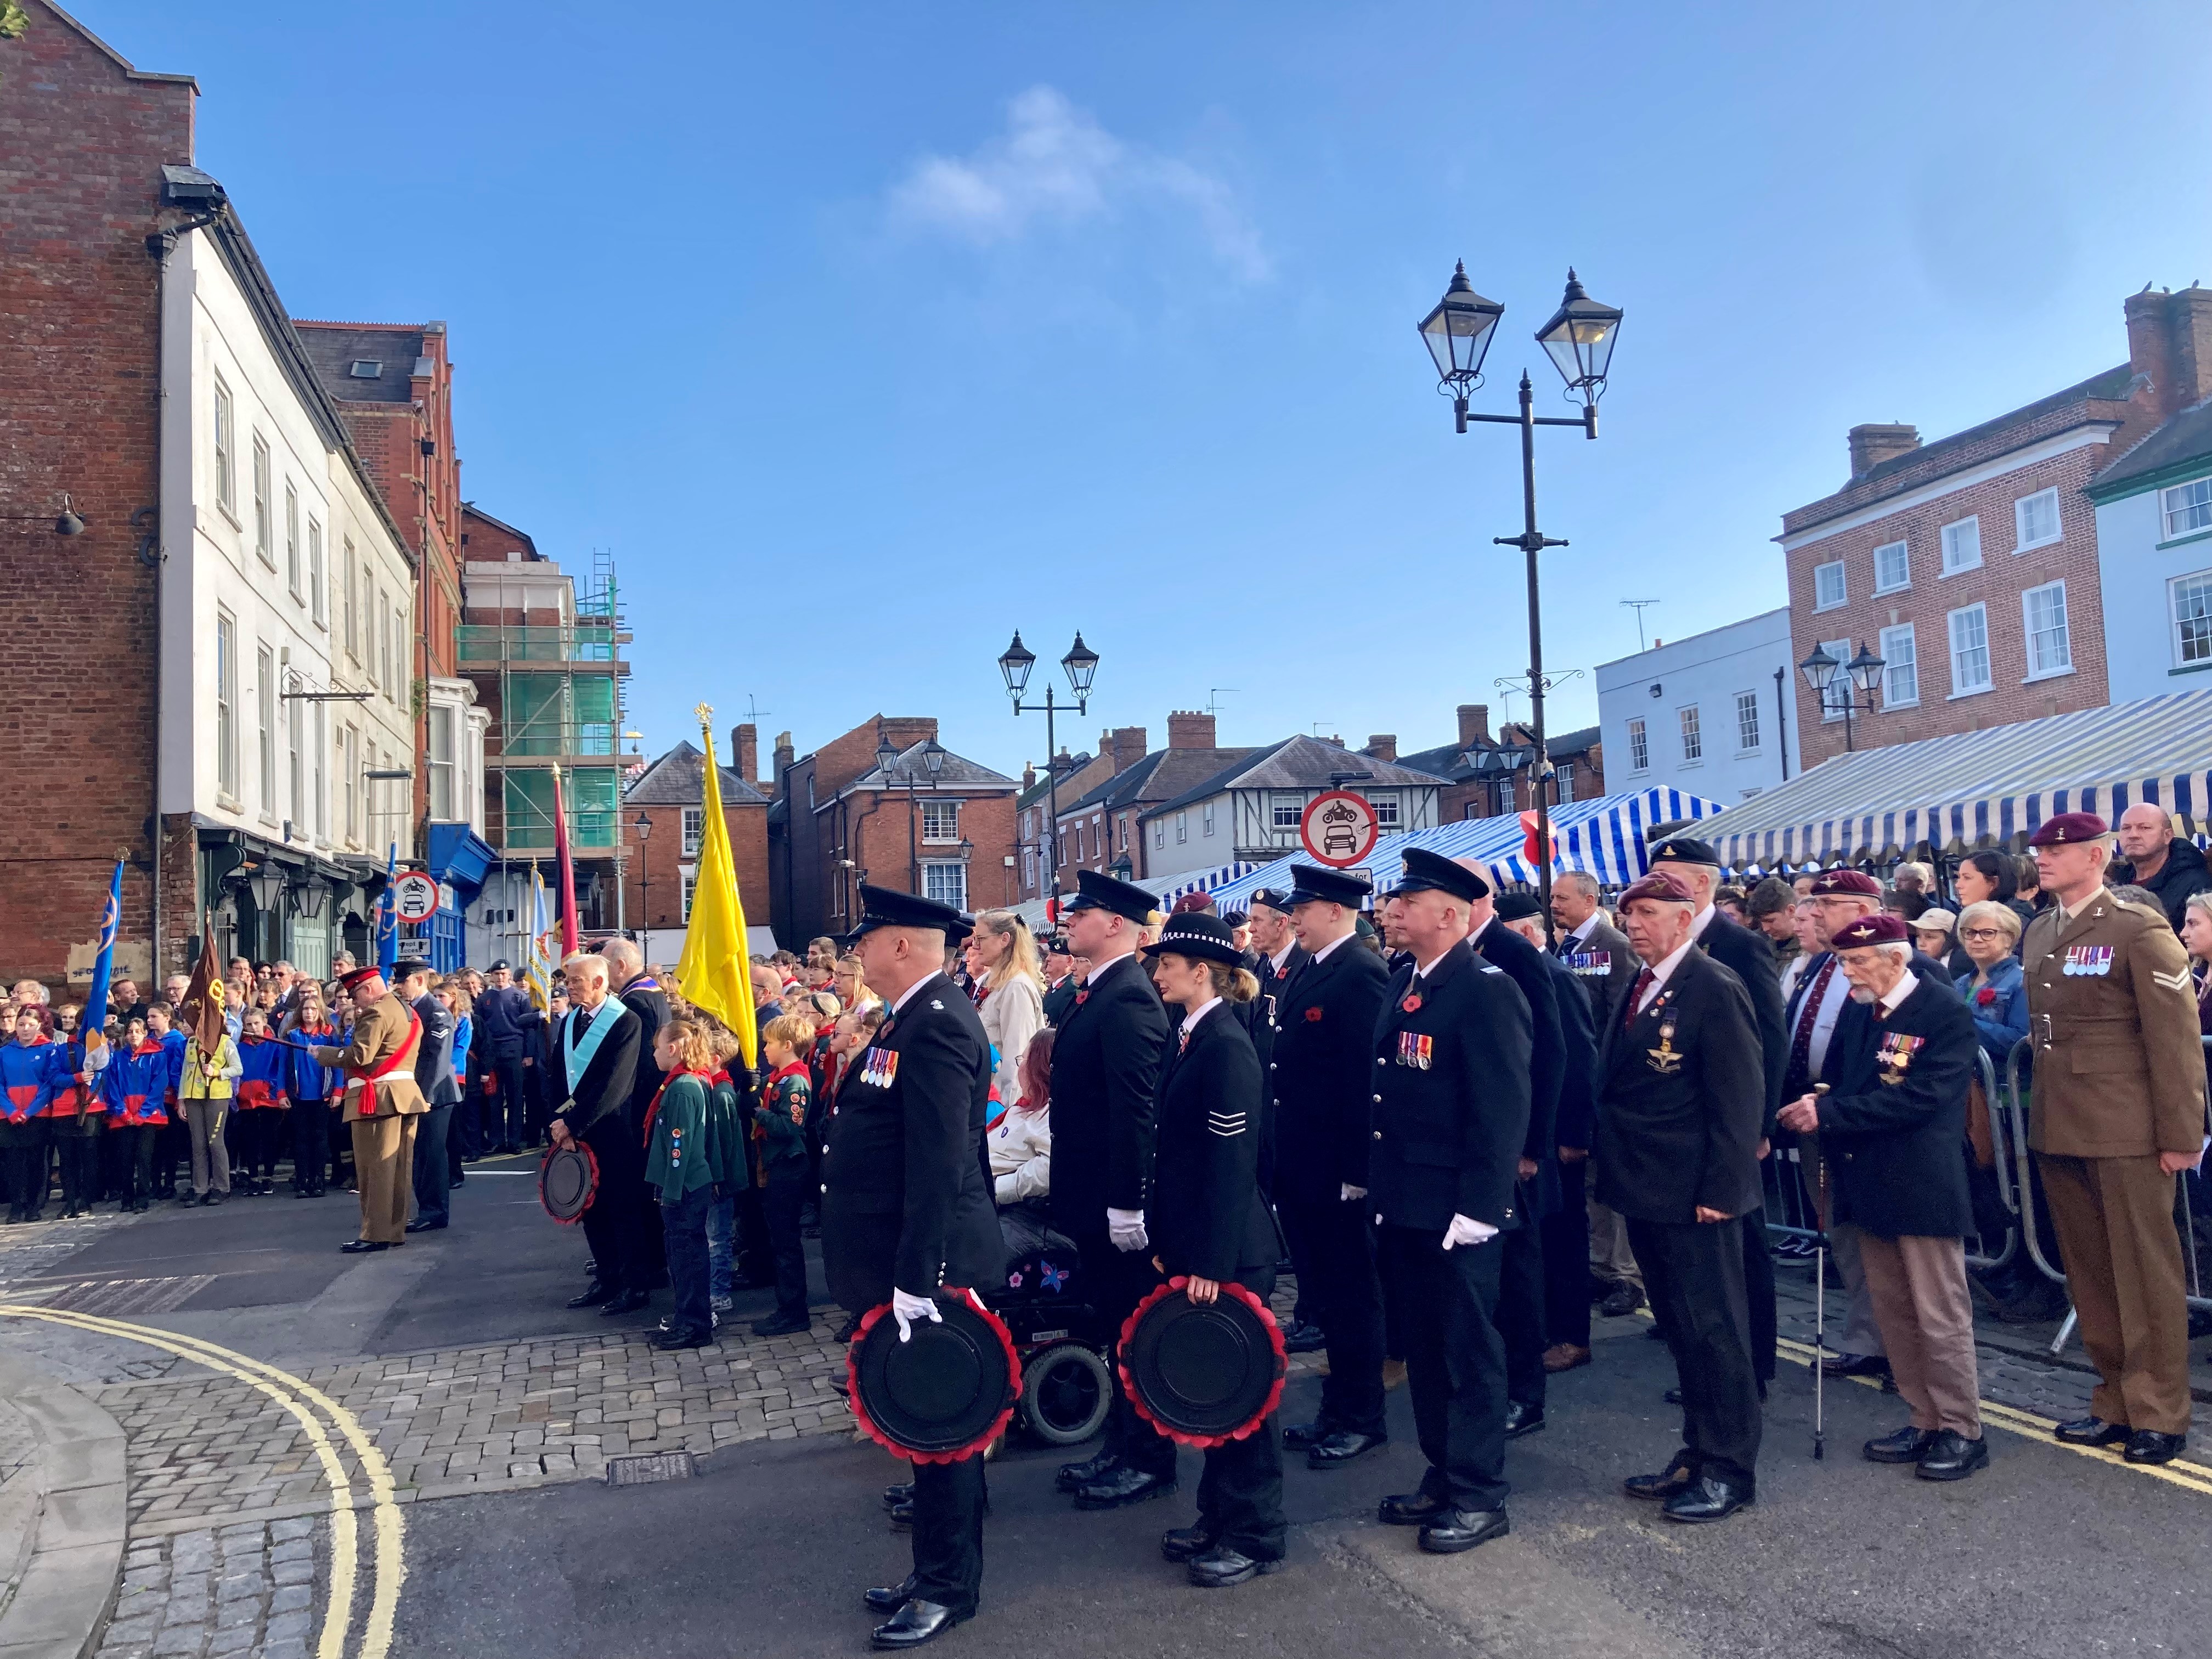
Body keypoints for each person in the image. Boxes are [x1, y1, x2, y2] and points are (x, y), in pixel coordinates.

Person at [822, 884, 1003, 1650]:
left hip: (928, 1265)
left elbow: (939, 1164)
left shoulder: (935, 1024)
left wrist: (916, 1275)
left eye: (867, 939)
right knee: (928, 1437)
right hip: (905, 1257)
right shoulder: (911, 1018)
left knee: (943, 1426)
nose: (855, 952)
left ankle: (947, 1588)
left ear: (903, 944)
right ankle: (934, 1569)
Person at [2022, 813, 2207, 1466]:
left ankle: (2160, 1410)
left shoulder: (2136, 926)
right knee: (2092, 1273)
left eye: (2058, 849)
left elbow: (2177, 1040)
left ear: (2097, 857)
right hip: (2062, 1121)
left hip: (2128, 1126)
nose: (2043, 859)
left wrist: (2184, 1133)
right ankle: (2114, 1402)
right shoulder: (2042, 928)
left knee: (2144, 1275)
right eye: (2040, 849)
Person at [1778, 914, 1989, 1480]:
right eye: (1844, 962)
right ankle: (1923, 1416)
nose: (1849, 973)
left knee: (1938, 1311)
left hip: (1919, 1181)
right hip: (1866, 1177)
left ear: (1897, 959)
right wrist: (1822, 1103)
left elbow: (1923, 1097)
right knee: (1895, 1309)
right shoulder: (1860, 1010)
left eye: (1859, 962)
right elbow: (1848, 1082)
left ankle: (1961, 1426)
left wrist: (1830, 1111)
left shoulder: (1942, 1012)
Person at [1368, 848, 1532, 1556]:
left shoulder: (1486, 988)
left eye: (1407, 902)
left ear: (1448, 914)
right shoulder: (1409, 980)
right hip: (1408, 1201)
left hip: (1458, 1209)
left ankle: (1478, 1492)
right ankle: (1443, 1470)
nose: (1393, 911)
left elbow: (1501, 1109)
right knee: (1428, 1350)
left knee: (1470, 1353)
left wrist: (1482, 1206)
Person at [1600, 870, 1766, 1523]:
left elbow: (1738, 1096)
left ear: (1684, 915)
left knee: (1716, 1330)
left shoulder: (1712, 985)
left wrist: (1724, 1190)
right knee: (1681, 1330)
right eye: (1629, 912)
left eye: (1648, 912)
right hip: (1647, 1185)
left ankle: (1731, 1469)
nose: (1635, 923)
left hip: (1696, 1189)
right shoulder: (1645, 983)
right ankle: (1698, 1451)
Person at [1141, 912, 1288, 1588]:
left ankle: (1254, 1534)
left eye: (1168, 963)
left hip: (1230, 1250)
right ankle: (1217, 1515)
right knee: (1214, 1395)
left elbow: (1230, 1165)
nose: (1159, 970)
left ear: (1201, 971)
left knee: (1243, 1397)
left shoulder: (1225, 1044)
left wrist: (1209, 1261)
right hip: (1200, 1243)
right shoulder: (1193, 1033)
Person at [1047, 871, 1176, 1513]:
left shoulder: (1127, 997)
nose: (1070, 922)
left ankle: (1148, 1457)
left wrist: (1130, 1201)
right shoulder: (1098, 991)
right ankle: (1122, 1445)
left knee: (1134, 1327)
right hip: (1089, 1193)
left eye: (1083, 913)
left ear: (1117, 925)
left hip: (1113, 1200)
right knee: (1112, 1325)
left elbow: (1136, 1112)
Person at [1646, 838, 1787, 1400]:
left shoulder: (1738, 945)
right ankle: (1708, 1362)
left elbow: (1768, 1041)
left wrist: (1759, 1127)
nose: (1653, 886)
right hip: (1681, 1127)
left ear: (1701, 884)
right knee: (1698, 1263)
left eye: (1667, 877)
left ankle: (1751, 1367)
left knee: (1742, 1252)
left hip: (1728, 1123)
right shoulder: (1661, 942)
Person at [1268, 865, 1393, 1470]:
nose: (1295, 918)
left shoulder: (1361, 973)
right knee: (1324, 1291)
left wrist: (1357, 1169)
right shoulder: (1312, 969)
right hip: (1302, 1163)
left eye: (1305, 908)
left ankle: (1361, 1415)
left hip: (1336, 1168)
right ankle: (1336, 1409)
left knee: (1352, 1295)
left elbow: (1363, 1081)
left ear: (1337, 911)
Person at [1495, 893, 1601, 1378]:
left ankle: (1571, 1335)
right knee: (1540, 1238)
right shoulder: (1523, 975)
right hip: (1541, 1131)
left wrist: (1574, 1134)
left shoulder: (1554, 978)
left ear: (1524, 933)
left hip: (1559, 1134)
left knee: (1563, 1237)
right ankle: (1545, 1328)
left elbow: (1577, 1059)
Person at [548, 953, 651, 1313]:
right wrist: (557, 1121)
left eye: (576, 981)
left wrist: (572, 1123)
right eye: (568, 979)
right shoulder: (572, 1020)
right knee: (590, 1209)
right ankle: (607, 1278)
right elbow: (558, 1075)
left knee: (622, 1209)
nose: (569, 986)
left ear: (598, 982)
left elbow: (614, 1086)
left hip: (614, 1132)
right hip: (576, 1132)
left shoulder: (626, 1022)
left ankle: (634, 1285)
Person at [311, 965, 430, 1253]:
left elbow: (360, 1055)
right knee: (399, 1168)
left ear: (367, 989)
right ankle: (393, 1230)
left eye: (354, 995)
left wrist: (324, 1054)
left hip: (377, 1098)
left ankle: (375, 1234)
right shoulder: (406, 1010)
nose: (353, 1002)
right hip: (403, 1094)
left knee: (374, 1169)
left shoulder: (377, 1012)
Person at [642, 1018, 721, 1351]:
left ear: (673, 1049)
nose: (655, 1054)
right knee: (681, 1254)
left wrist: (671, 1191)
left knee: (688, 1256)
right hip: (687, 1184)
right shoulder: (686, 1082)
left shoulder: (683, 1087)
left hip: (685, 1186)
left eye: (658, 1047)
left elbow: (680, 1145)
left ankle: (694, 1323)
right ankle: (684, 1317)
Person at [751, 1012, 817, 1337]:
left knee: (786, 1242)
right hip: (776, 1164)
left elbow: (790, 1127)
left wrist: (758, 1111)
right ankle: (786, 1307)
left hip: (789, 1166)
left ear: (788, 1045)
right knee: (779, 1240)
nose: (765, 1048)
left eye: (770, 1043)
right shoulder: (777, 1076)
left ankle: (794, 1310)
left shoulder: (794, 1081)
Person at [964, 911, 1046, 1113]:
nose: (974, 946)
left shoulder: (1016, 987)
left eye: (980, 939)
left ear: (1004, 940)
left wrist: (1006, 1116)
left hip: (998, 1105)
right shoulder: (990, 981)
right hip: (983, 1097)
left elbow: (1018, 1059)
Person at [403, 961, 459, 1234]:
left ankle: (434, 1211)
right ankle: (425, 1207)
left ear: (419, 981)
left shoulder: (436, 1012)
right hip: (414, 1091)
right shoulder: (409, 1009)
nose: (399, 987)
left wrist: (426, 1096)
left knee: (431, 1154)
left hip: (434, 1094)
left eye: (404, 982)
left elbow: (438, 1059)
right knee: (419, 1155)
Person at [989, 1027, 1057, 1254]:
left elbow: (1049, 1169)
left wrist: (997, 1190)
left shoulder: (1050, 1114)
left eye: (1024, 1060)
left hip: (1005, 1208)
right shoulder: (1025, 1108)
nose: (1021, 1069)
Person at [99, 1017, 168, 1212]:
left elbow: (159, 1085)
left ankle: (143, 1198)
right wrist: (122, 1112)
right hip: (123, 1116)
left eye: (138, 1031)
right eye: (130, 1031)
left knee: (144, 1158)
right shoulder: (117, 1057)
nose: (134, 1035)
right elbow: (111, 1086)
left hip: (147, 1115)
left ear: (145, 1033)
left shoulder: (157, 1055)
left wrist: (143, 1113)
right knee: (125, 1159)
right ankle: (127, 1198)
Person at [2112, 803, 2212, 933]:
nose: (2133, 835)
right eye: (2126, 828)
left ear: (2168, 836)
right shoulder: (2117, 882)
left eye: (2145, 828)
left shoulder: (2197, 885)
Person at [473, 961, 540, 1155]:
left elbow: (529, 1027)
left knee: (515, 1099)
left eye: (503, 973)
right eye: (496, 974)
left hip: (515, 1051)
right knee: (494, 1099)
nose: (500, 977)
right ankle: (497, 1140)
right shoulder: (484, 999)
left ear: (509, 974)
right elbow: (480, 1029)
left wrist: (528, 1054)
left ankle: (514, 1140)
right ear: (491, 976)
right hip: (492, 1053)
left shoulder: (520, 997)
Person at [178, 1006, 241, 1208]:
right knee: (198, 1144)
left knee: (215, 1142)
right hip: (193, 1097)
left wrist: (217, 1072)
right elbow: (185, 1073)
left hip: (216, 1096)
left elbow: (238, 1068)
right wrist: (181, 1099)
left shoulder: (224, 1042)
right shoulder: (191, 1043)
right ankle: (200, 1188)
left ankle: (222, 1187)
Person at [283, 984, 340, 1198]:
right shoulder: (292, 1035)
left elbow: (337, 1066)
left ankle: (318, 1180)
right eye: (306, 1009)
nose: (309, 1013)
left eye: (314, 1009)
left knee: (320, 1138)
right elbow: (283, 1067)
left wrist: (338, 1091)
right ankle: (303, 1179)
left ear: (320, 1012)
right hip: (299, 1096)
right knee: (301, 1139)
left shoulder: (329, 1036)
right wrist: (282, 1093)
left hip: (322, 1095)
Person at [1, 1007, 55, 1222]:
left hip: (38, 1115)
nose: (25, 1029)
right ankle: (16, 1206)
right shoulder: (4, 1052)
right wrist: (12, 1111)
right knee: (13, 1162)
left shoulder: (48, 1050)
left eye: (30, 1025)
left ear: (39, 1026)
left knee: (37, 1161)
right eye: (21, 1024)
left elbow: (48, 1084)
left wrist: (31, 1111)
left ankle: (34, 1206)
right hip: (9, 1116)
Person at [233, 1007, 289, 1196]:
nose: (253, 1027)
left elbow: (280, 1071)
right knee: (250, 1140)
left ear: (264, 1022)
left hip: (268, 1099)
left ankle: (268, 1176)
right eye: (249, 1024)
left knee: (269, 1139)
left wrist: (270, 1088)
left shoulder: (275, 1045)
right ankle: (254, 1177)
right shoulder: (240, 1048)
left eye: (256, 1023)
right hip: (246, 1101)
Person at [1954, 850, 2035, 944]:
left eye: (1967, 878)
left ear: (1994, 883)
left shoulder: (2013, 922)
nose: (1958, 885)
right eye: (1959, 877)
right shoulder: (1966, 916)